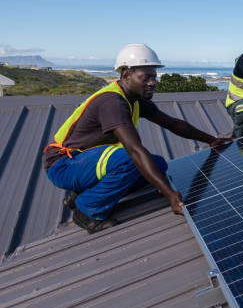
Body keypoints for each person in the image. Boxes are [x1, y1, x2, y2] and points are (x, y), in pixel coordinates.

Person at [42, 43, 231, 234]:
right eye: (145, 77)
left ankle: (83, 194)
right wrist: (170, 195)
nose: (152, 82)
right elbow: (134, 150)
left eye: (154, 77)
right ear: (126, 75)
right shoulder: (112, 102)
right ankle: (87, 210)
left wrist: (211, 140)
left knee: (158, 165)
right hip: (64, 164)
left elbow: (173, 124)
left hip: (84, 162)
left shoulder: (135, 99)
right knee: (131, 160)